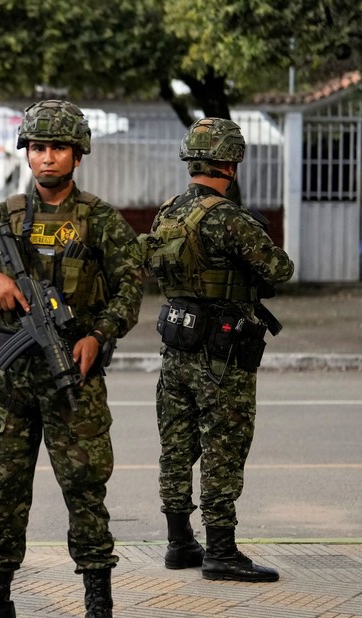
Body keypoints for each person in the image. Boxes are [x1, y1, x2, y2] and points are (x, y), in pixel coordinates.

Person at [0, 100, 144, 618]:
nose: (48, 158)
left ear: (77, 155)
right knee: (7, 487)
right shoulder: (4, 215)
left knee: (84, 488)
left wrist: (99, 335)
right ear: (28, 153)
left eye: (58, 148)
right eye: (39, 148)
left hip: (72, 377)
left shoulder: (100, 219)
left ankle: (97, 599)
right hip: (10, 380)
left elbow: (131, 285)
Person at [142, 118, 294, 582]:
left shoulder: (167, 211)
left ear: (192, 160)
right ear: (231, 162)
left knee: (176, 446)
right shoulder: (229, 217)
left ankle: (178, 542)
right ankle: (221, 551)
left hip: (177, 345)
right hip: (221, 353)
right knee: (222, 448)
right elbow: (280, 269)